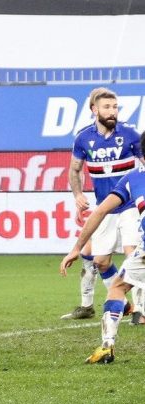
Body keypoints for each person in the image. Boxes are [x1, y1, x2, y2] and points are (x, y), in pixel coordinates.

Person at [60, 132, 145, 363]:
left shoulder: (133, 178)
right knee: (114, 280)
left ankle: (107, 347)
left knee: (117, 288)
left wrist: (76, 248)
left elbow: (99, 212)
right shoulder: (131, 178)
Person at [60, 88, 143, 322]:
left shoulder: (130, 135)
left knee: (133, 254)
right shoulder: (83, 138)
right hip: (105, 208)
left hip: (130, 206)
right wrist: (78, 194)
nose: (112, 111)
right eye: (107, 107)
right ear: (94, 110)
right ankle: (123, 303)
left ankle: (140, 310)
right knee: (100, 261)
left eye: (115, 107)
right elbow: (75, 169)